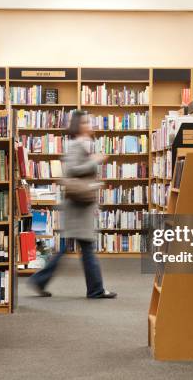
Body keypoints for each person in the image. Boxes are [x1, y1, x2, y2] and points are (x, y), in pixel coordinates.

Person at [28, 111, 117, 299]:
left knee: (74, 248)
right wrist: (94, 162)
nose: (89, 124)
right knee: (86, 247)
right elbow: (71, 170)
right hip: (77, 205)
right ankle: (95, 289)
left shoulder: (83, 144)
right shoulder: (76, 145)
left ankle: (41, 280)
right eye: (86, 121)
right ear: (79, 125)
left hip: (79, 204)